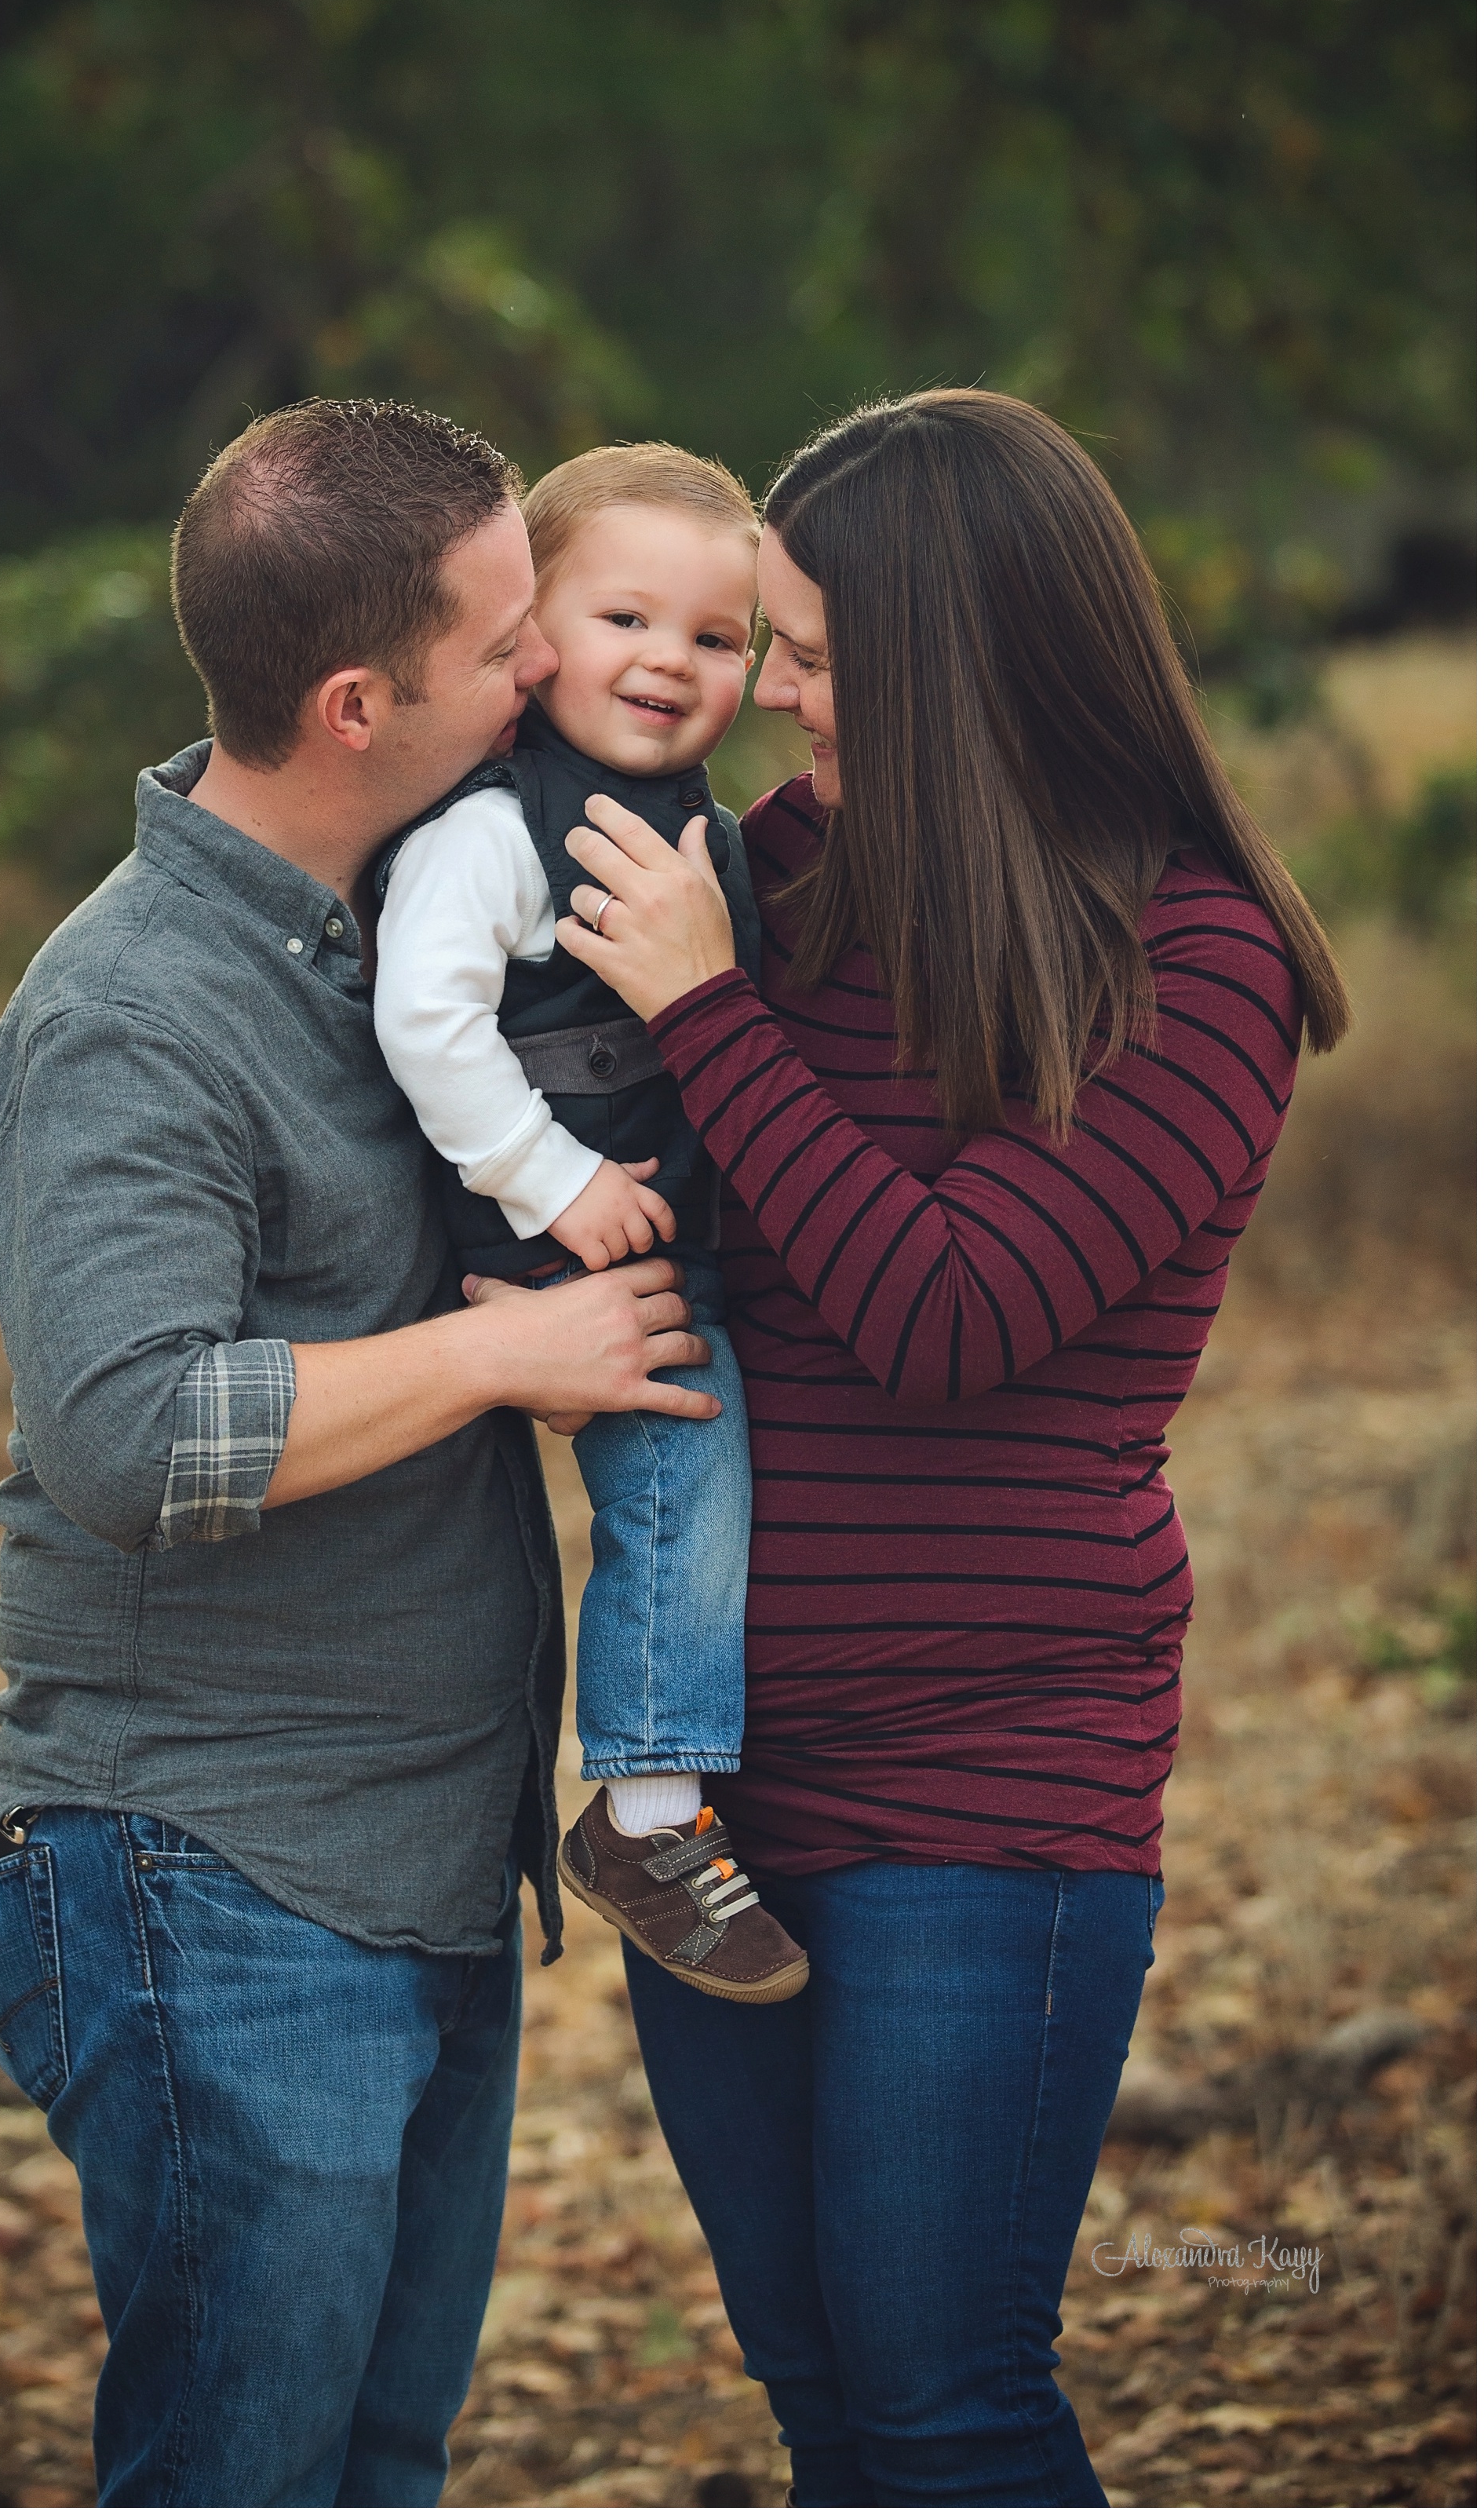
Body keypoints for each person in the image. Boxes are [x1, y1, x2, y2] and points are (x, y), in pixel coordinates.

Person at [530, 389, 1350, 2507]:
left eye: (807, 654)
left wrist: (714, 1014)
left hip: (990, 1786)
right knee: (823, 2401)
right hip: (706, 1780)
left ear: (959, 656)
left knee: (946, 2403)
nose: (768, 694)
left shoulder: (1196, 955)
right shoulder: (776, 878)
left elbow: (950, 1318)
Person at [0, 397, 718, 2510]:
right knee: (249, 2475)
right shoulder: (134, 1018)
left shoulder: (407, 923)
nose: (552, 669)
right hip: (219, 1875)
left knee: (375, 2464)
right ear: (360, 700)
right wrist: (500, 1361)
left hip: (412, 1863)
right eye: (510, 641)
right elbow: (132, 1429)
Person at [374, 444, 807, 2006]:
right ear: (536, 630)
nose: (671, 663)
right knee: (687, 1485)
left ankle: (649, 1798)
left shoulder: (706, 820)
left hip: (653, 1226)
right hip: (555, 1234)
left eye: (715, 637)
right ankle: (644, 1818)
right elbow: (423, 1014)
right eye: (628, 618)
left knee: (694, 1498)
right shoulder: (498, 826)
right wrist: (552, 1180)